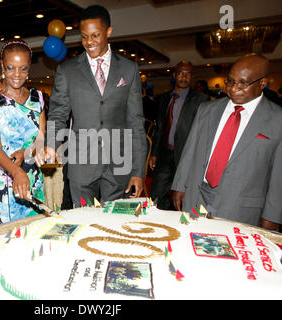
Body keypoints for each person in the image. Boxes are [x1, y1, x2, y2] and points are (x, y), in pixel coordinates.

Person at [38, 5, 147, 207]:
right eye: (84, 36)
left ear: (109, 32)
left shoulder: (129, 69)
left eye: (95, 35)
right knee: (83, 222)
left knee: (115, 223)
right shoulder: (67, 70)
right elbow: (58, 113)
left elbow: (136, 122)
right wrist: (52, 144)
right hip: (81, 164)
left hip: (119, 163)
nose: (89, 42)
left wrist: (138, 171)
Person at [171, 54, 282, 231]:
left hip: (240, 206)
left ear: (262, 83)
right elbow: (190, 150)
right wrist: (179, 185)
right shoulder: (208, 109)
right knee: (189, 243)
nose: (233, 89)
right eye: (230, 82)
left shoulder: (277, 120)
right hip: (197, 195)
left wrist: (272, 216)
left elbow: (278, 176)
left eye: (243, 83)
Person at [0, 39, 46, 225]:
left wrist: (26, 153)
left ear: (29, 67)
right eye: (10, 68)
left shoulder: (37, 98)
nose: (17, 74)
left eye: (23, 68)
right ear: (2, 65)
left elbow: (40, 139)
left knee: (34, 234)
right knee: (3, 240)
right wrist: (16, 172)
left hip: (30, 176)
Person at [149, 60, 209, 210]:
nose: (184, 77)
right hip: (164, 153)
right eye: (181, 73)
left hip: (186, 156)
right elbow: (160, 128)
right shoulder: (164, 98)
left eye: (188, 74)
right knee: (156, 194)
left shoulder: (201, 100)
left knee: (182, 197)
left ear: (191, 77)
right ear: (175, 75)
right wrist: (154, 153)